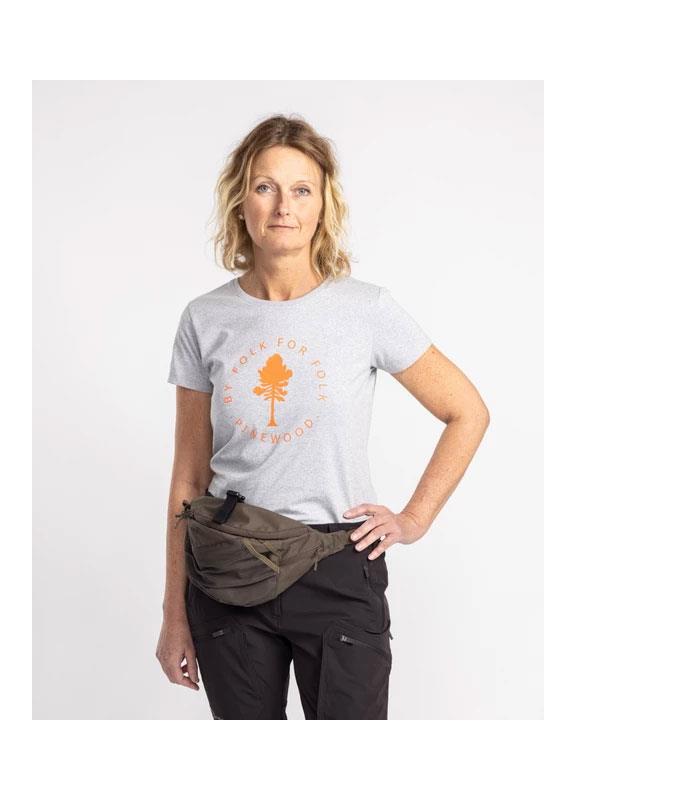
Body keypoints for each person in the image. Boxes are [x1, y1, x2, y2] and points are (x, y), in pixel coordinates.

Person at [155, 114, 490, 719]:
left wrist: (414, 518)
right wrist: (173, 614)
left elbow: (466, 411)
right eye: (265, 187)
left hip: (338, 563)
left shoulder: (367, 310)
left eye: (301, 189)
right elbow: (188, 478)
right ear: (241, 201)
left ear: (322, 205)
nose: (283, 206)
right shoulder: (205, 318)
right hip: (230, 569)